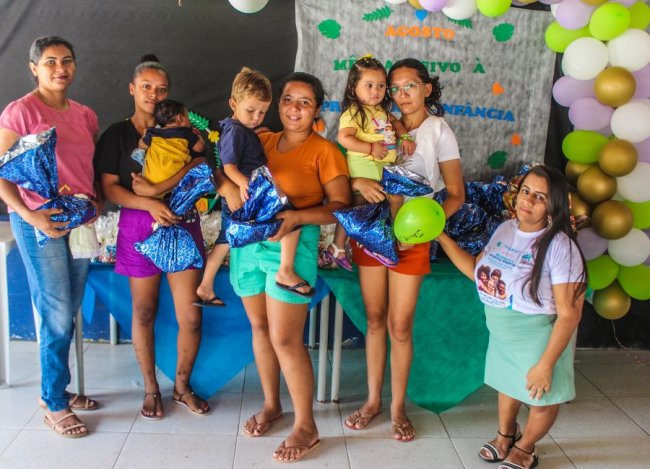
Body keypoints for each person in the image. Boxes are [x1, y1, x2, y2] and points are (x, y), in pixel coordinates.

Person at [228, 72, 350, 462]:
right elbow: (225, 172)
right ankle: (271, 405)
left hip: (292, 246)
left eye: (304, 102)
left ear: (317, 110)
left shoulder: (325, 151)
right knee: (260, 328)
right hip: (251, 244)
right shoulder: (261, 139)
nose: (294, 108)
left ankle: (307, 426)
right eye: (287, 99)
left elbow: (341, 206)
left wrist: (297, 218)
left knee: (286, 339)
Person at [344, 58, 464, 442]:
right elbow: (348, 165)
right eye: (394, 88)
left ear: (427, 88)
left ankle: (398, 407)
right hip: (372, 227)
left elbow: (456, 195)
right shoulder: (378, 123)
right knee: (374, 319)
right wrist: (358, 184)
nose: (400, 94)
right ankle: (372, 402)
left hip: (412, 237)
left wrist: (423, 230)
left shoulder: (439, 130)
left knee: (399, 325)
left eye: (409, 86)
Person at [437, 165, 587, 469]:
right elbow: (476, 271)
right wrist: (440, 237)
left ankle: (525, 448)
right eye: (525, 191)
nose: (527, 200)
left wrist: (546, 365)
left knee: (541, 398)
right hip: (502, 332)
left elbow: (569, 315)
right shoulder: (505, 229)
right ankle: (506, 435)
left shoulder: (560, 246)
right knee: (507, 386)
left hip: (537, 335)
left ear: (554, 205)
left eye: (540, 197)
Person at [94, 55, 211, 420]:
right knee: (144, 312)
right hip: (138, 227)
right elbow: (110, 188)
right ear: (132, 89)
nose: (153, 95)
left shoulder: (187, 132)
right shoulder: (117, 135)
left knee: (191, 316)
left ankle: (182, 387)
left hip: (182, 222)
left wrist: (164, 189)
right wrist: (149, 203)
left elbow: (204, 168)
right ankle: (150, 388)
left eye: (161, 89)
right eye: (146, 87)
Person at [0, 36, 100, 438]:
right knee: (56, 310)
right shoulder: (21, 112)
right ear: (34, 68)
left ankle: (55, 387)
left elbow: (84, 167)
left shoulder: (85, 115)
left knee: (69, 306)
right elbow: (2, 172)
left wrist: (94, 203)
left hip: (79, 220)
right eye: (51, 62)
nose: (61, 68)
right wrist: (29, 214)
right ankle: (54, 402)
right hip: (37, 220)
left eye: (67, 60)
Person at [196, 67, 312, 307]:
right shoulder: (235, 131)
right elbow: (228, 167)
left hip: (242, 195)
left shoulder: (239, 129)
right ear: (233, 103)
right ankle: (285, 271)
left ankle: (205, 286)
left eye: (262, 112)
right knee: (292, 219)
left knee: (224, 240)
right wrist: (243, 183)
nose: (256, 117)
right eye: (251, 111)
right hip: (248, 194)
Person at [323, 56, 415, 269]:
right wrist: (370, 148)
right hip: (364, 169)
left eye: (381, 85)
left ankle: (346, 246)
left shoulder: (382, 112)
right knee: (360, 208)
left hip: (381, 170)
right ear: (354, 88)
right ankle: (360, 245)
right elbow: (344, 138)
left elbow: (396, 123)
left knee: (387, 202)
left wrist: (405, 137)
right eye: (369, 85)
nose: (376, 91)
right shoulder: (353, 113)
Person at [140, 99, 205, 190]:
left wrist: (144, 134)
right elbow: (200, 148)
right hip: (174, 176)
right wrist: (198, 135)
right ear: (180, 118)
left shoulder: (153, 132)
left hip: (151, 177)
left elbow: (142, 146)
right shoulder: (186, 132)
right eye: (187, 116)